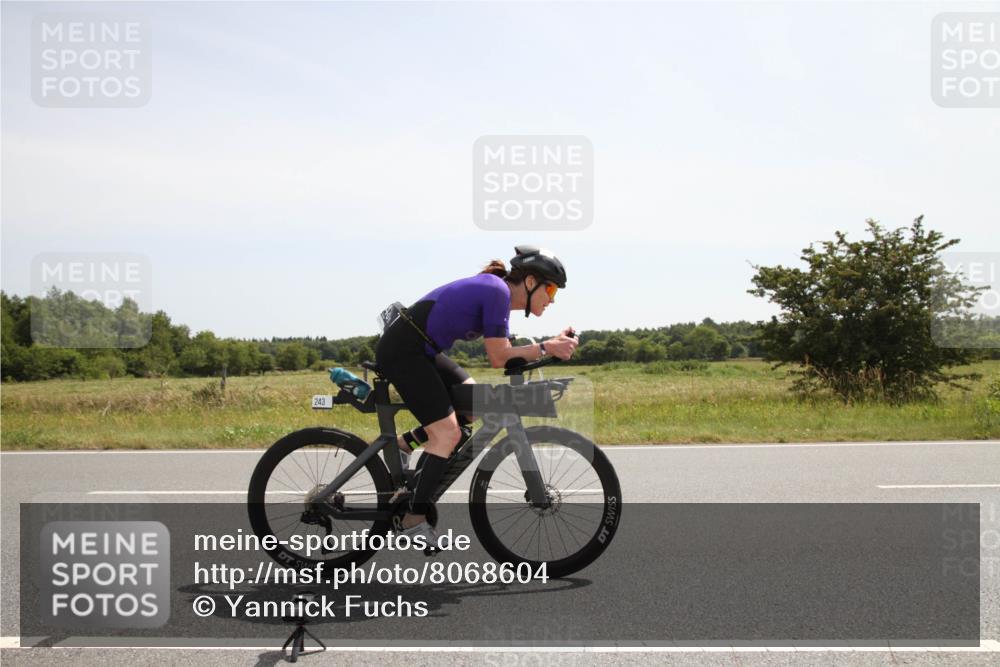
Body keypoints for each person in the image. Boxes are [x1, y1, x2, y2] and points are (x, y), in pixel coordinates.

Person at [374, 245, 578, 545]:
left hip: (423, 349)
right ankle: (412, 519)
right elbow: (499, 357)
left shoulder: (499, 296)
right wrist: (548, 347)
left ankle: (405, 444)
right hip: (405, 351)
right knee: (447, 434)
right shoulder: (497, 292)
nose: (552, 299)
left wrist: (551, 346)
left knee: (475, 404)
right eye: (550, 289)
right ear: (531, 282)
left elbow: (509, 354)